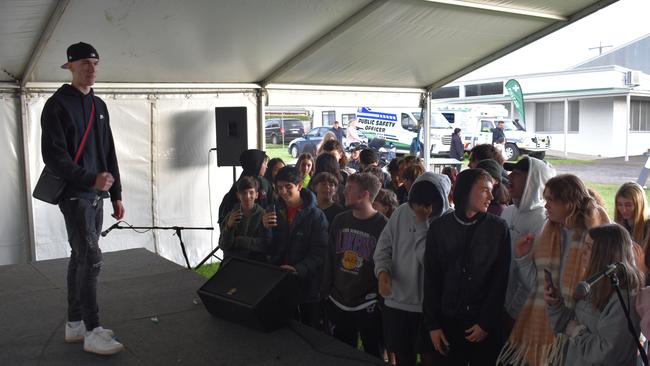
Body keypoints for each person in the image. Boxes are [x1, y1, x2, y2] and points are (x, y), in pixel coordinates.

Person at [41, 42, 124, 355]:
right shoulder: (57, 105)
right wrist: (91, 179)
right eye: (85, 63)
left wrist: (116, 193)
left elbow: (108, 152)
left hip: (97, 195)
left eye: (95, 63)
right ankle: (93, 330)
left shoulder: (99, 106)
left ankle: (75, 324)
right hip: (75, 195)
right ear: (70, 67)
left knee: (80, 256)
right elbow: (54, 157)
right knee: (92, 258)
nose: (91, 68)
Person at [498, 174, 610, 366]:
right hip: (547, 326)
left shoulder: (596, 237)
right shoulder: (549, 232)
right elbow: (537, 285)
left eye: (551, 200)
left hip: (580, 334)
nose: (546, 205)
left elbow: (604, 293)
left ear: (569, 203)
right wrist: (523, 258)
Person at [424, 169, 511, 366]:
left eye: (492, 191)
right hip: (448, 322)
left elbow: (500, 280)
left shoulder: (498, 228)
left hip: (483, 323)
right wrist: (433, 325)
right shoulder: (439, 228)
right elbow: (431, 279)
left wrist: (485, 324)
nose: (490, 196)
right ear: (465, 191)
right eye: (484, 190)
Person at [374, 172, 452, 366]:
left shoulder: (448, 221)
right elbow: (383, 247)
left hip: (428, 307)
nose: (419, 210)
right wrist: (383, 272)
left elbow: (429, 263)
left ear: (438, 202)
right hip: (397, 303)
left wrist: (421, 224)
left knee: (431, 358)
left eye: (426, 206)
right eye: (414, 204)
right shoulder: (401, 212)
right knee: (403, 357)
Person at [545, 224, 644, 366]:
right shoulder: (595, 283)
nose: (582, 252)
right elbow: (570, 322)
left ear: (606, 253)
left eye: (589, 247)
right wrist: (555, 305)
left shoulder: (624, 297)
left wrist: (576, 332)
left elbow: (607, 353)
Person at [324, 173, 388, 358]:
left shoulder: (383, 226)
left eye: (350, 188)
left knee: (373, 353)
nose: (344, 191)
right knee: (342, 352)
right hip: (338, 298)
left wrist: (380, 301)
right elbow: (330, 258)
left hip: (368, 302)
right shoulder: (340, 220)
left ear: (365, 195)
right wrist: (326, 290)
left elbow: (386, 266)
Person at [264, 166, 328, 328]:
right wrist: (264, 227)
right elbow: (268, 245)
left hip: (306, 283)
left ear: (299, 186)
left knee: (309, 329)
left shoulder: (316, 216)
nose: (283, 192)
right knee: (285, 327)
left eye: (288, 187)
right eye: (279, 188)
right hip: (279, 277)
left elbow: (320, 252)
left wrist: (298, 269)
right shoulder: (275, 209)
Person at [500, 157, 555, 333]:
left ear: (533, 180)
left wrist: (514, 309)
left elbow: (540, 279)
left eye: (517, 174)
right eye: (511, 172)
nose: (510, 176)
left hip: (527, 314)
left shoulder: (544, 221)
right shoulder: (507, 212)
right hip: (501, 306)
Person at [219, 176, 270, 262]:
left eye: (251, 192)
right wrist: (229, 226)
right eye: (244, 193)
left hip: (256, 262)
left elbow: (264, 245)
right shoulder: (231, 215)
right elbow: (223, 245)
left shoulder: (263, 215)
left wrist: (239, 241)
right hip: (233, 261)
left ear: (256, 195)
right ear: (238, 195)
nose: (247, 196)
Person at [218, 149, 271, 223]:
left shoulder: (263, 182)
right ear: (257, 164)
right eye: (264, 163)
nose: (266, 167)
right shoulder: (245, 184)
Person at [615, 182, 650, 246]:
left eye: (628, 205)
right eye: (619, 204)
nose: (623, 210)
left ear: (639, 205)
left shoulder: (647, 226)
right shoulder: (619, 224)